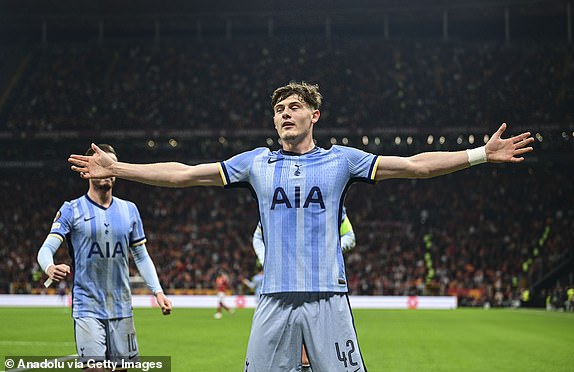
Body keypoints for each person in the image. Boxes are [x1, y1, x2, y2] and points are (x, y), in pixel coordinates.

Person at [68, 82, 534, 371]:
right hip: (273, 300)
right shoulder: (256, 163)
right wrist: (121, 167)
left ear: (314, 115)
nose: (284, 114)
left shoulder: (341, 161)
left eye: (293, 107)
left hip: (327, 299)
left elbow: (415, 165)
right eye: (278, 110)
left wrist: (479, 154)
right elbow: (185, 173)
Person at [39, 144, 172, 371]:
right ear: (88, 170)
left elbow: (141, 256)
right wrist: (49, 267)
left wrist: (157, 291)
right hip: (87, 306)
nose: (108, 169)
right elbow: (45, 249)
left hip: (121, 307)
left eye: (112, 165)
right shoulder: (71, 209)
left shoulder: (130, 210)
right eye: (102, 163)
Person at [251, 207, 355, 371]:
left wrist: (327, 252)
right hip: (282, 283)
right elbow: (257, 237)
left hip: (320, 282)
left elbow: (350, 237)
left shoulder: (329, 200)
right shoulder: (276, 200)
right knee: (280, 348)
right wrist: (268, 260)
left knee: (319, 347)